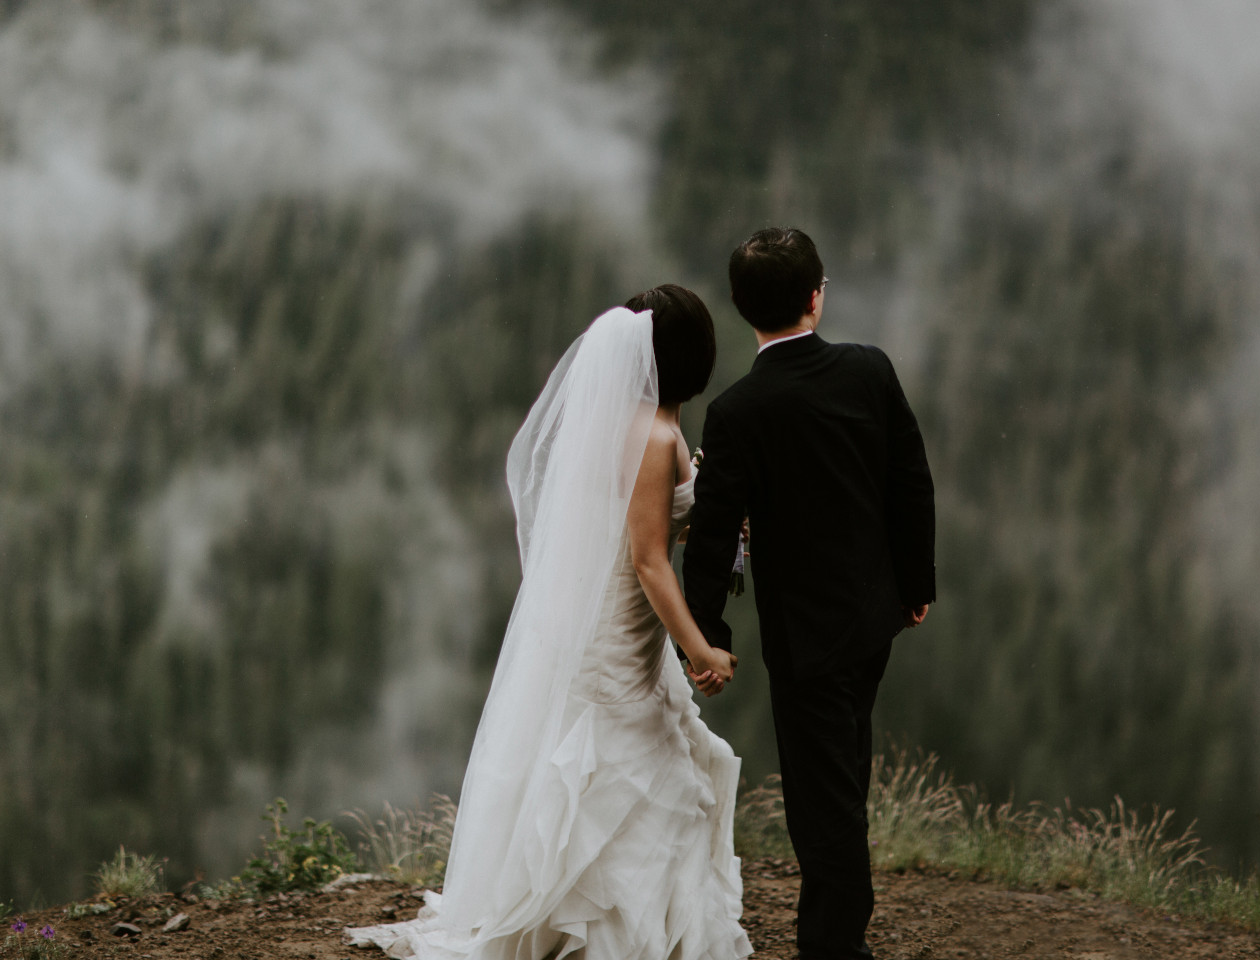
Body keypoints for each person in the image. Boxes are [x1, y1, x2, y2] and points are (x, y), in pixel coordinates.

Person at [348, 285, 752, 960]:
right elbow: (649, 562)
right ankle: (603, 926)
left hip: (612, 626)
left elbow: (640, 528)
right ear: (695, 356)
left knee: (621, 763)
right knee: (627, 757)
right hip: (625, 629)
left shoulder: (636, 427)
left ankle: (587, 913)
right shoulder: (654, 436)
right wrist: (701, 650)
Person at [683, 228, 936, 960]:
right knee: (843, 773)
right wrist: (915, 585)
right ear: (817, 298)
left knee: (822, 803)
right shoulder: (868, 371)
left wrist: (709, 633)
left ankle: (832, 945)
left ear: (740, 307)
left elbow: (712, 537)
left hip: (805, 638)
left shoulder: (738, 413)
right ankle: (836, 934)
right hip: (873, 616)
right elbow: (910, 481)